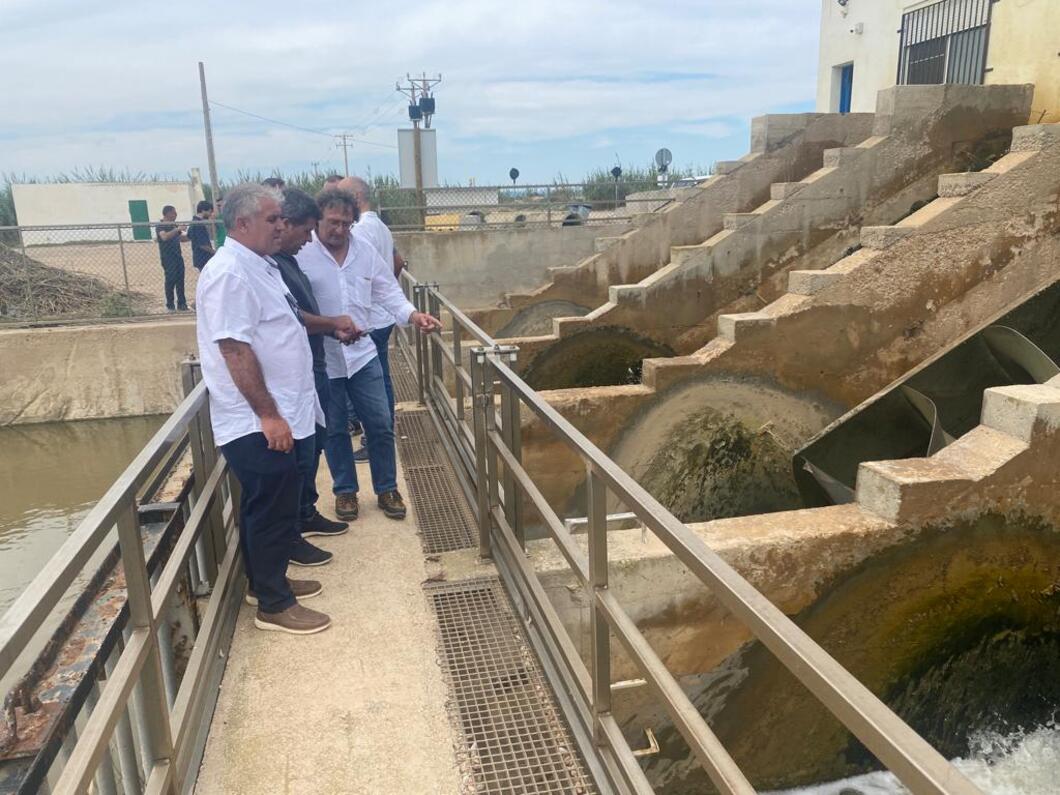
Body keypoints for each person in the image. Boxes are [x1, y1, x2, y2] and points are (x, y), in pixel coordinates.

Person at [195, 182, 359, 636]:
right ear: (242, 223)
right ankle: (274, 605)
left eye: (282, 219)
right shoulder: (230, 273)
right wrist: (268, 416)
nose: (281, 226)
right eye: (272, 219)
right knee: (269, 506)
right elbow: (234, 349)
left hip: (283, 407)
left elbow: (282, 323)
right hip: (256, 417)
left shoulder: (260, 264)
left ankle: (267, 583)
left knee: (274, 501)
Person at [297, 188, 441, 522]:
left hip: (363, 355)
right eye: (333, 222)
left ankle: (387, 488)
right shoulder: (303, 253)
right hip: (324, 360)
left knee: (380, 423)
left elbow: (388, 291)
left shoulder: (364, 251)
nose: (340, 229)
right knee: (334, 430)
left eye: (346, 223)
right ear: (318, 220)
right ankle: (345, 491)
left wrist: (413, 315)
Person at [273, 188, 350, 550]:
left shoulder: (284, 262)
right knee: (303, 451)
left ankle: (306, 512)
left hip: (311, 364)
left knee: (314, 443)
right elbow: (293, 318)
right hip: (299, 371)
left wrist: (331, 329)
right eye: (306, 231)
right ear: (286, 223)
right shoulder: (271, 266)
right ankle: (294, 527)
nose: (308, 240)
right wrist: (333, 323)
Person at [156, 206, 188, 311]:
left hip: (177, 256)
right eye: (174, 213)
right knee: (171, 280)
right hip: (168, 257)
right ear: (168, 213)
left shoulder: (173, 225)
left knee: (180, 280)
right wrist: (177, 229)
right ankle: (170, 305)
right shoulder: (161, 225)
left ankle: (182, 304)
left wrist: (191, 235)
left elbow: (180, 238)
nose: (176, 214)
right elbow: (164, 237)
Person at [188, 201, 216, 271]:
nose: (210, 214)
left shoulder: (194, 222)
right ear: (203, 210)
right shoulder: (199, 224)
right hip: (203, 258)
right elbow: (203, 244)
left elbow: (189, 236)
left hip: (200, 257)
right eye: (209, 212)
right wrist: (214, 252)